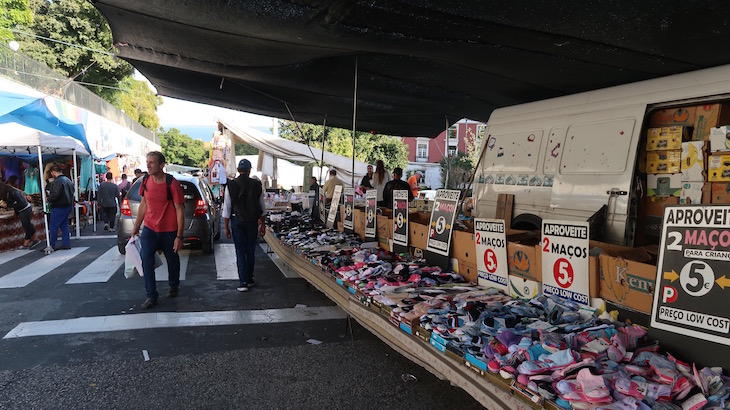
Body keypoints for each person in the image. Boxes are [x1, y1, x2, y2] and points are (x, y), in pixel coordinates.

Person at [130, 152, 185, 309]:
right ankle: (151, 296)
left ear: (161, 165)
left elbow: (179, 210)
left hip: (169, 230)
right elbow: (143, 204)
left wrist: (179, 236)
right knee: (146, 259)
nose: (148, 165)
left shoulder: (172, 184)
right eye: (147, 162)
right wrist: (136, 226)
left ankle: (174, 284)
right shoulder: (146, 180)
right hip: (149, 228)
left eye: (152, 162)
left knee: (172, 260)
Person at [223, 159, 266, 292]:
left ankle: (243, 282)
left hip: (237, 221)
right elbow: (262, 207)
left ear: (237, 170)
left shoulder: (230, 185)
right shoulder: (256, 185)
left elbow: (226, 209)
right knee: (250, 250)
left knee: (240, 251)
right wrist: (263, 225)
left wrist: (226, 227)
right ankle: (250, 278)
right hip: (252, 221)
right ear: (249, 170)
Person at [0, 182, 39, 249]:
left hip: (25, 209)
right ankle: (35, 240)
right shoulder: (7, 193)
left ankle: (26, 244)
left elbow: (21, 204)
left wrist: (8, 206)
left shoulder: (13, 192)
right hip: (21, 210)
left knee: (26, 226)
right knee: (28, 225)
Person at [47, 164, 74, 251]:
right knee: (64, 225)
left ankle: (52, 245)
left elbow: (55, 194)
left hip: (59, 206)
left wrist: (49, 199)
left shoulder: (57, 181)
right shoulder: (68, 180)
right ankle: (66, 243)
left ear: (54, 172)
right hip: (68, 205)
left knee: (53, 226)